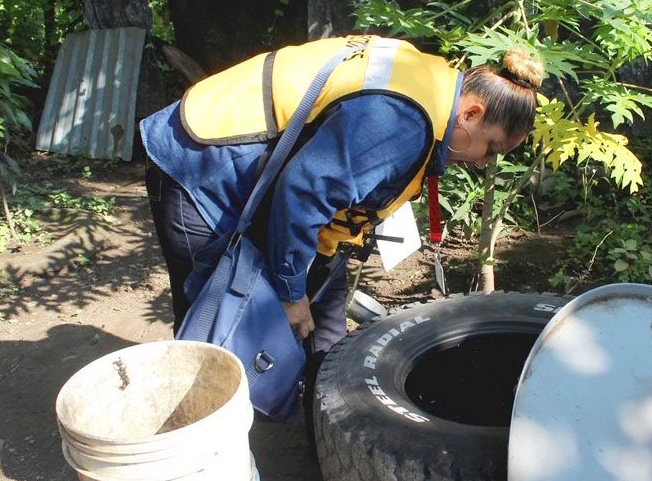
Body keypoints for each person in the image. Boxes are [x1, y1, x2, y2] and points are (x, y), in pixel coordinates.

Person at [141, 33, 543, 385]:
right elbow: (304, 191)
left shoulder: (432, 82)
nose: (483, 161)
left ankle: (328, 436)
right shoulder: (402, 120)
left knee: (325, 326)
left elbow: (333, 188)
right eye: (490, 149)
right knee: (218, 325)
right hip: (204, 165)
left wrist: (303, 289)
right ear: (471, 113)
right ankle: (201, 445)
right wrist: (289, 291)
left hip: (268, 180)